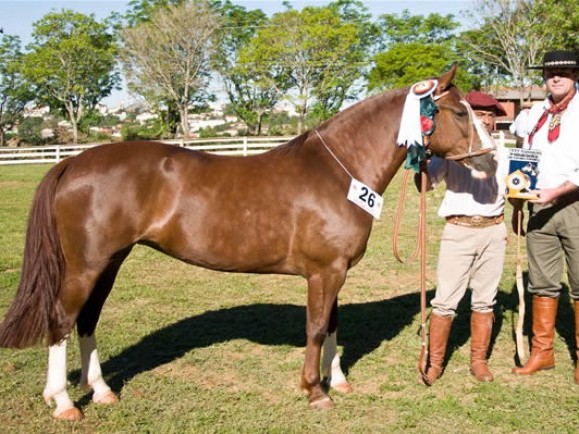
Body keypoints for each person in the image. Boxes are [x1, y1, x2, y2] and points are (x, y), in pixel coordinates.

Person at [420, 91, 508, 385]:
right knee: (445, 301)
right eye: (479, 114)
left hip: (494, 230)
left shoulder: (507, 152)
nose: (485, 120)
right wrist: (418, 159)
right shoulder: (453, 152)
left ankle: (479, 361)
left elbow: (518, 190)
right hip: (458, 231)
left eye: (489, 115)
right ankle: (434, 363)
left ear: (495, 120)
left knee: (485, 301)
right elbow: (426, 185)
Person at [511, 50, 579, 384]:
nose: (556, 77)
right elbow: (522, 152)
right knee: (542, 281)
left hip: (575, 203)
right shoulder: (534, 113)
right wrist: (517, 202)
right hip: (539, 205)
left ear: (575, 75)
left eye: (564, 72)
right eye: (551, 73)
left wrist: (559, 191)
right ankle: (544, 352)